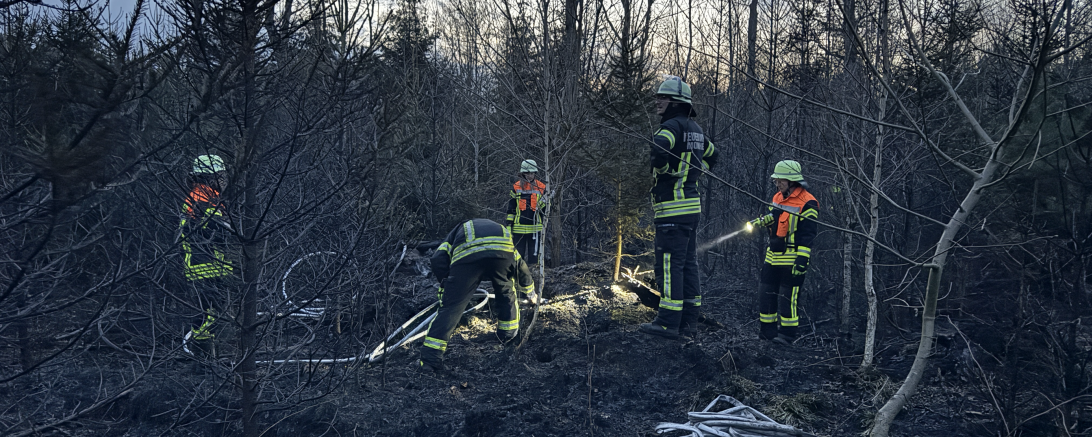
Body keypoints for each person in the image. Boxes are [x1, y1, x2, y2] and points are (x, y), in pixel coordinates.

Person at [638, 76, 718, 340]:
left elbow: (658, 151)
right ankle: (689, 322)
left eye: (662, 97)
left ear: (676, 102)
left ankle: (668, 323)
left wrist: (667, 171)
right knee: (688, 264)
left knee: (670, 266)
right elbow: (713, 155)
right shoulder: (695, 129)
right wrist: (695, 173)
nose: (657, 101)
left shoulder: (670, 128)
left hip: (671, 211)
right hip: (691, 209)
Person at [418, 219, 536, 373]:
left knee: (452, 307)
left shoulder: (458, 230)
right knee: (506, 290)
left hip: (469, 258)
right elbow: (520, 266)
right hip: (502, 254)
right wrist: (531, 293)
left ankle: (430, 360)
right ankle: (508, 337)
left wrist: (448, 284)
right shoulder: (500, 231)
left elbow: (437, 259)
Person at [748, 160, 819, 345]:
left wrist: (802, 259)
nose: (777, 183)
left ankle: (786, 336)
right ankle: (767, 333)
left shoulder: (808, 203)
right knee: (766, 294)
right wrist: (761, 221)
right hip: (773, 256)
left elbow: (807, 234)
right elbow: (776, 217)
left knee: (788, 298)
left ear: (792, 181)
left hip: (793, 258)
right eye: (776, 180)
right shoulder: (778, 197)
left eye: (781, 180)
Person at [180, 154, 235, 359]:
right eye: (219, 175)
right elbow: (217, 231)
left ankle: (208, 357)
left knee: (205, 313)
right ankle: (205, 360)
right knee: (210, 315)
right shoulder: (205, 199)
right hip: (207, 265)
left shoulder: (197, 196)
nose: (223, 180)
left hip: (200, 264)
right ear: (209, 177)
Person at [505, 159, 548, 266]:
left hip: (535, 230)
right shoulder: (516, 187)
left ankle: (534, 280)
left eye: (532, 173)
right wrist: (509, 226)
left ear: (535, 173)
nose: (530, 175)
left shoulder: (542, 187)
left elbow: (546, 210)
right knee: (518, 259)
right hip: (518, 230)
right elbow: (511, 208)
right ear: (522, 173)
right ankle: (517, 280)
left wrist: (543, 204)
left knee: (535, 260)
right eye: (527, 173)